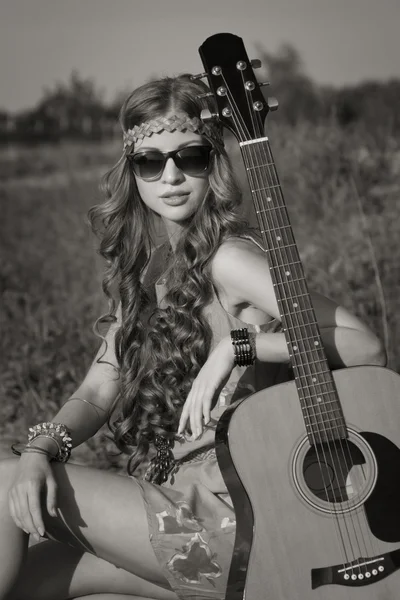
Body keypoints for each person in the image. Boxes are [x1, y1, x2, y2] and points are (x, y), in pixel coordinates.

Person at [0, 74, 386, 600]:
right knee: (34, 578)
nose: (172, 175)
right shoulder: (151, 271)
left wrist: (240, 346)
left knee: (2, 488)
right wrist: (40, 447)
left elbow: (364, 346)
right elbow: (96, 389)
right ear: (131, 173)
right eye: (151, 162)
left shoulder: (229, 258)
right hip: (177, 508)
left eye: (192, 157)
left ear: (215, 164)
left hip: (238, 525)